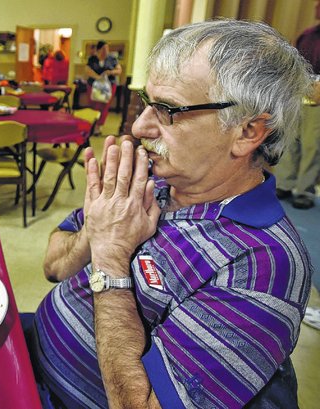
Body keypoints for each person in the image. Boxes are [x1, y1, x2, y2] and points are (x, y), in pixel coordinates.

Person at [26, 19, 312, 409]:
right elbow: (53, 267)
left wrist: (110, 257)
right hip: (31, 354)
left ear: (247, 132)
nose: (140, 126)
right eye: (147, 103)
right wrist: (95, 229)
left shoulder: (264, 262)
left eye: (169, 111)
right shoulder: (152, 179)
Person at [274, 0, 320, 209]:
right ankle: (284, 183)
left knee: (312, 147)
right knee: (291, 142)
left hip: (318, 102)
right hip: (299, 94)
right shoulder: (307, 34)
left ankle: (304, 191)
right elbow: (294, 61)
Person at [85, 41, 122, 125]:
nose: (106, 51)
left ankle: (99, 125)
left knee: (104, 105)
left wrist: (110, 72)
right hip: (93, 85)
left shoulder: (112, 59)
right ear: (98, 50)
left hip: (108, 85)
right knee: (94, 104)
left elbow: (119, 70)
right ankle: (92, 124)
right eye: (104, 49)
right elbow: (87, 70)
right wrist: (98, 77)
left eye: (107, 49)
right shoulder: (92, 59)